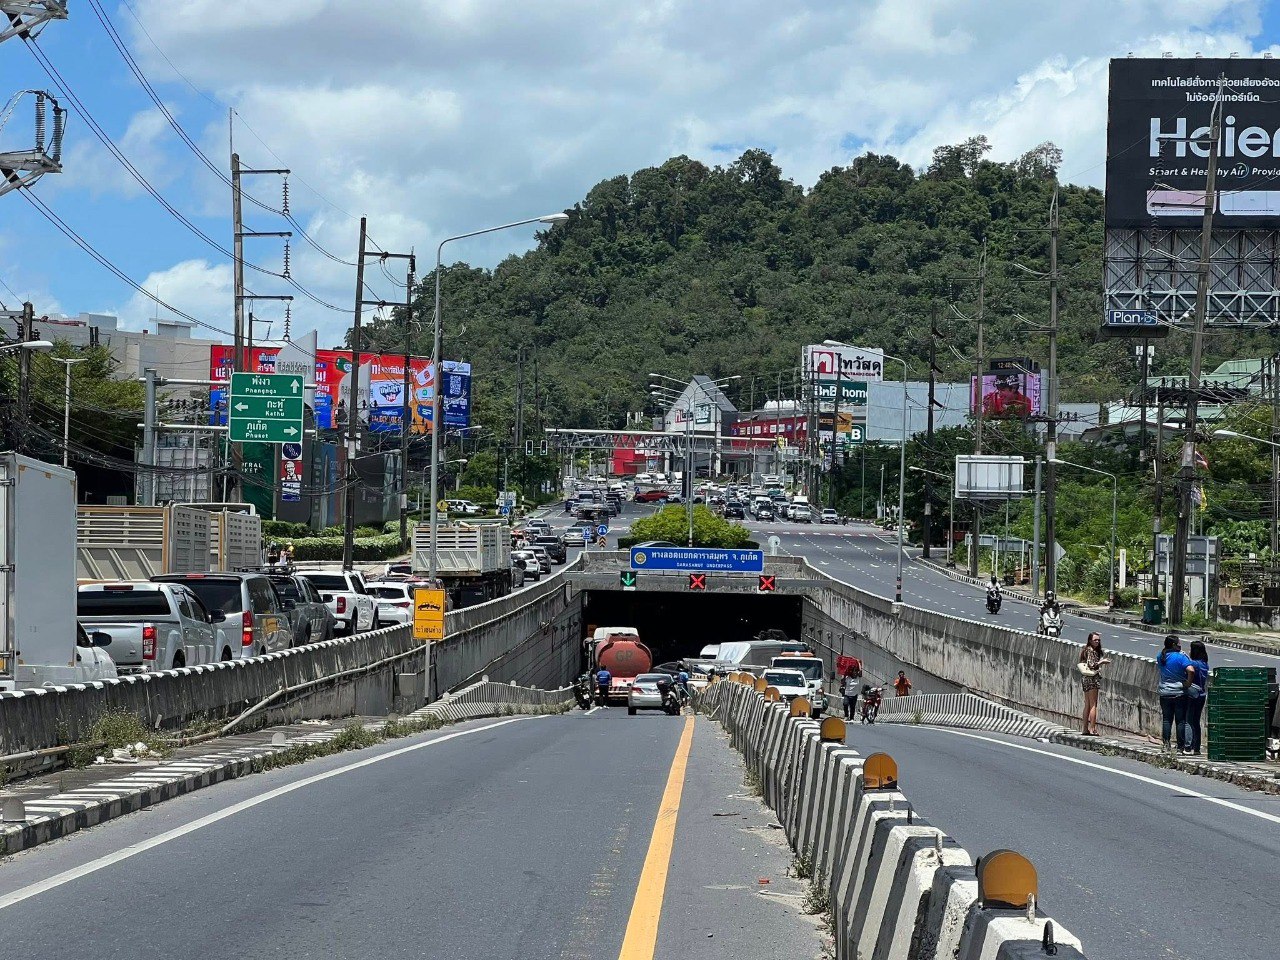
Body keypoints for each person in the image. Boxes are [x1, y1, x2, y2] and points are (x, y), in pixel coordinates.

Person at [1156, 635, 1195, 753]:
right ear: (1174, 645)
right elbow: (1191, 670)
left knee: (1167, 720)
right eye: (1179, 643)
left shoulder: (1161, 656)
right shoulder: (1181, 657)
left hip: (1165, 692)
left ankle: (1166, 745)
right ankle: (1180, 746)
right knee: (1180, 721)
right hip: (1179, 692)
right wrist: (1188, 683)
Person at [1078, 632, 1111, 736]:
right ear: (1090, 640)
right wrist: (1102, 662)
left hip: (1085, 679)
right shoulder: (1091, 651)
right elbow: (1092, 665)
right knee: (1093, 704)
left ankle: (1084, 729)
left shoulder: (1085, 650)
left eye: (1098, 640)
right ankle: (1092, 729)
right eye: (1095, 640)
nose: (1097, 642)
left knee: (1087, 704)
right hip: (1092, 679)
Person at [1185, 640, 1210, 756]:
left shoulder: (1193, 664)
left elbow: (1188, 669)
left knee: (1189, 720)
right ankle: (1197, 747)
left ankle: (1188, 746)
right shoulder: (1204, 663)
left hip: (1192, 694)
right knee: (1196, 721)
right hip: (1201, 694)